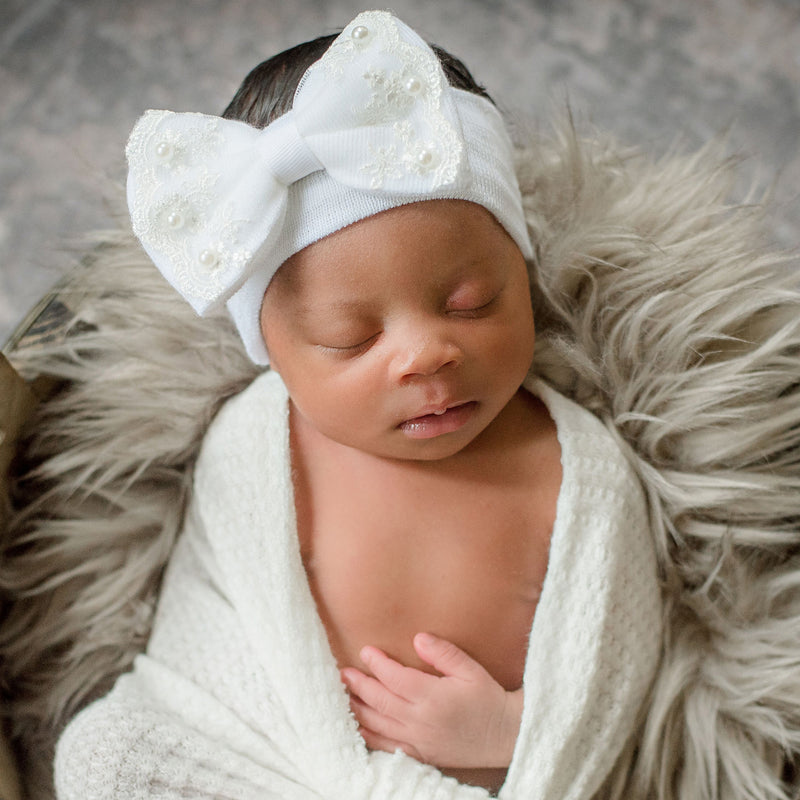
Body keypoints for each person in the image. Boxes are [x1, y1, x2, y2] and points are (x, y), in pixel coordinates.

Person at [53, 10, 663, 798]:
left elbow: (615, 671)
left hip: (479, 782)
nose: (426, 354)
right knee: (104, 752)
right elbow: (208, 644)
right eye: (349, 338)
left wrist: (513, 730)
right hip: (281, 770)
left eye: (474, 302)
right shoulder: (252, 442)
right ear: (274, 353)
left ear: (522, 267)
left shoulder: (578, 468)